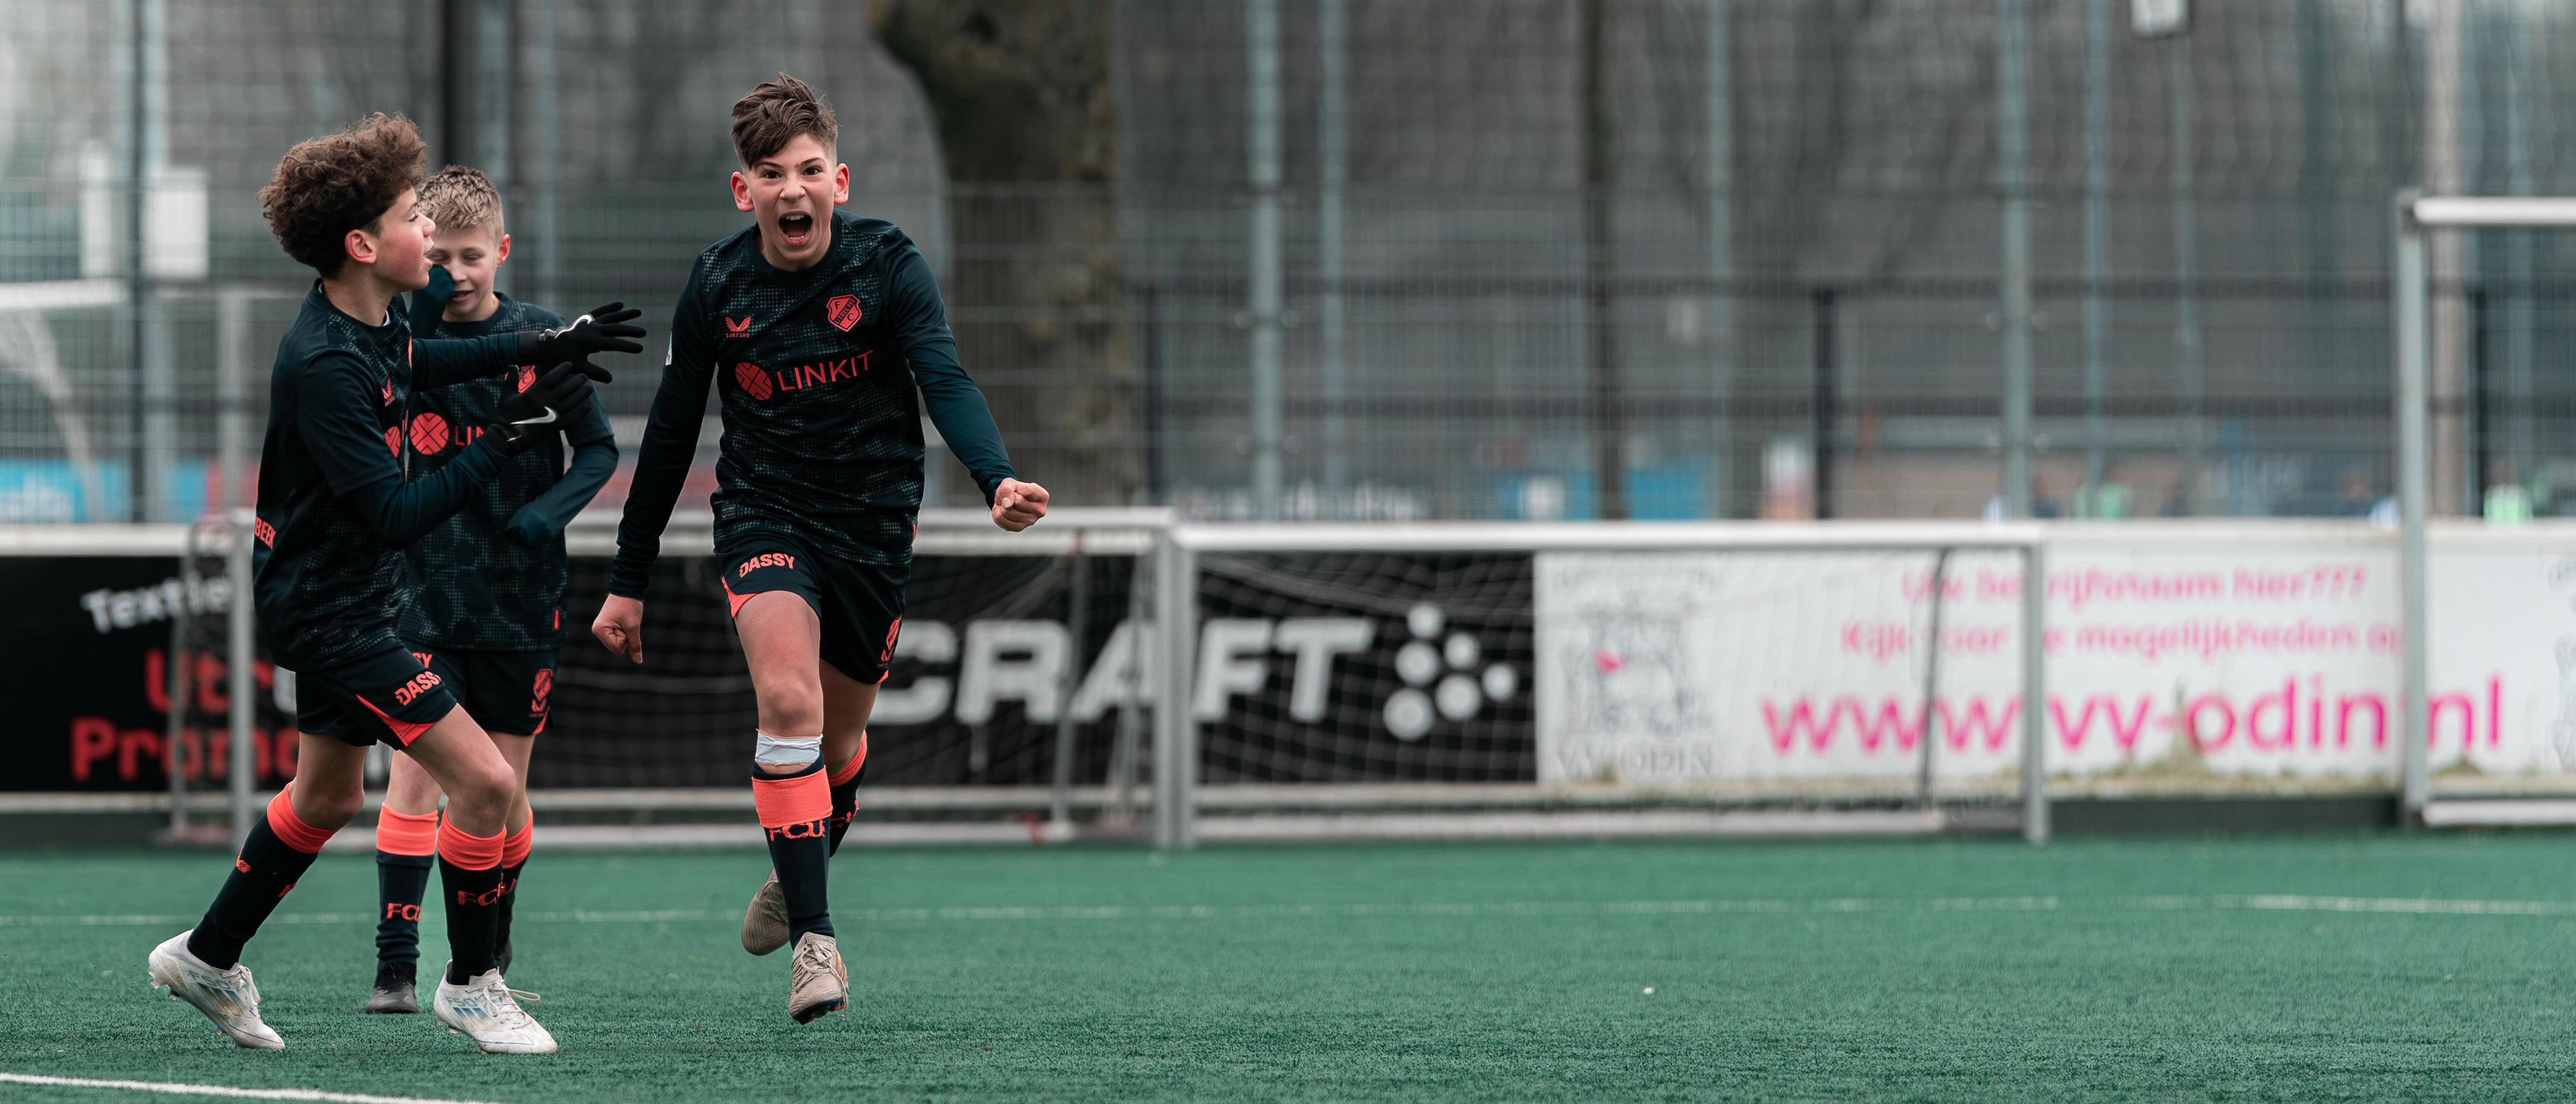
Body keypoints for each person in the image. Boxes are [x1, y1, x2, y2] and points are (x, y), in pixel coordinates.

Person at [143, 113, 642, 1054]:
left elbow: (425, 361)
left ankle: (206, 956)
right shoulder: (326, 363)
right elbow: (395, 515)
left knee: (326, 797)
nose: (430, 236)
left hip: (346, 596)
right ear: (366, 246)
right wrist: (501, 440)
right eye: (415, 219)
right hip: (336, 613)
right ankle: (472, 985)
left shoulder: (370, 323)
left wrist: (550, 344)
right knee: (486, 783)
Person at [592, 74, 1045, 1024]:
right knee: (788, 702)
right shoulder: (716, 284)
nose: (790, 190)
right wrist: (628, 579)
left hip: (873, 527)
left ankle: (795, 862)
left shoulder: (888, 263)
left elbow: (943, 376)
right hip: (764, 516)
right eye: (770, 174)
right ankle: (815, 940)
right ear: (743, 191)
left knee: (837, 746)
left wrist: (995, 477)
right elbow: (670, 437)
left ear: (839, 181)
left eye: (807, 170)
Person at [364, 166, 620, 1015]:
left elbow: (598, 449)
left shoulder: (543, 339)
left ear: (501, 251)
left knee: (503, 790)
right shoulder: (396, 341)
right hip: (417, 598)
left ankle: (487, 955)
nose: (456, 273)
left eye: (471, 256)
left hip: (520, 601)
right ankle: (395, 969)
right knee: (413, 780)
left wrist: (550, 513)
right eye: (438, 257)